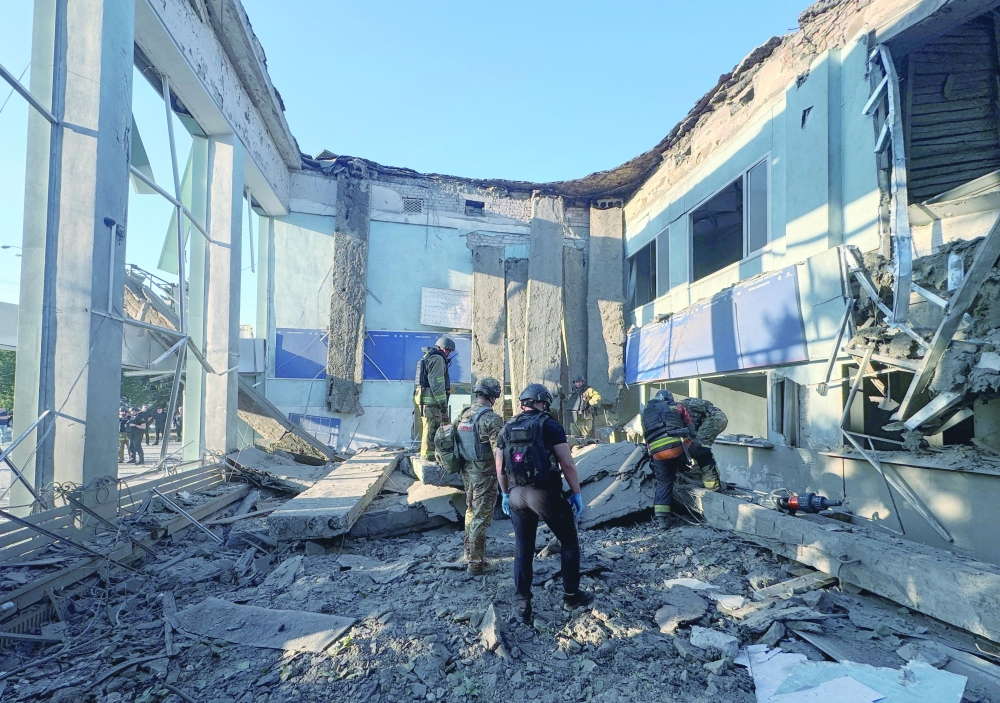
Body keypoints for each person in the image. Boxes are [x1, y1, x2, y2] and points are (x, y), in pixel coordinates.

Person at [496, 383, 593, 624]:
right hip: (544, 494)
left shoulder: (507, 427)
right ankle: (571, 597)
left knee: (523, 547)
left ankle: (522, 603)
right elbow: (567, 464)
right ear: (542, 403)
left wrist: (505, 493)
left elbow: (499, 468)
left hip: (517, 495)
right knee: (569, 542)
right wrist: (577, 493)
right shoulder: (549, 425)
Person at [450, 377, 504, 574]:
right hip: (485, 473)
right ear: (493, 396)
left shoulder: (464, 414)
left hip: (467, 470)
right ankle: (476, 563)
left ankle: (468, 552)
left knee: (471, 511)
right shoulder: (491, 419)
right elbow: (500, 451)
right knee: (481, 515)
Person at [640, 389, 695, 529]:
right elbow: (689, 425)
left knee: (664, 480)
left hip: (657, 451)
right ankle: (701, 478)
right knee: (699, 450)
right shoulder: (677, 406)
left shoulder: (647, 411)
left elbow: (646, 434)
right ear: (669, 398)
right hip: (676, 446)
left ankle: (662, 519)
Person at [414, 336, 455, 461]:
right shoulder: (438, 359)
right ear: (445, 349)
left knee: (429, 428)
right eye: (449, 351)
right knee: (431, 430)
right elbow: (437, 383)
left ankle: (428, 455)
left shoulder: (430, 357)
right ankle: (428, 458)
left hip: (425, 399)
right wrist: (443, 404)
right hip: (431, 401)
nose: (449, 354)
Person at [679, 398, 728, 492]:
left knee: (700, 449)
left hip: (715, 419)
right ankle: (700, 478)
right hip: (715, 417)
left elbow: (692, 427)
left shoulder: (681, 410)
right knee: (698, 448)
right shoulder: (682, 407)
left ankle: (711, 485)